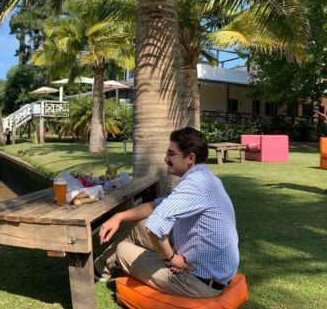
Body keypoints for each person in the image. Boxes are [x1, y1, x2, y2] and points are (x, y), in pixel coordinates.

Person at [94, 127, 239, 298]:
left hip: (198, 281)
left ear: (190, 158)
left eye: (171, 154)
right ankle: (100, 269)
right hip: (210, 270)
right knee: (139, 225)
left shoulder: (194, 184)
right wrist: (119, 217)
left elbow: (154, 228)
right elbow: (157, 206)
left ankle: (98, 270)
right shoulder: (203, 177)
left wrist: (171, 259)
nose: (165, 158)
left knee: (123, 249)